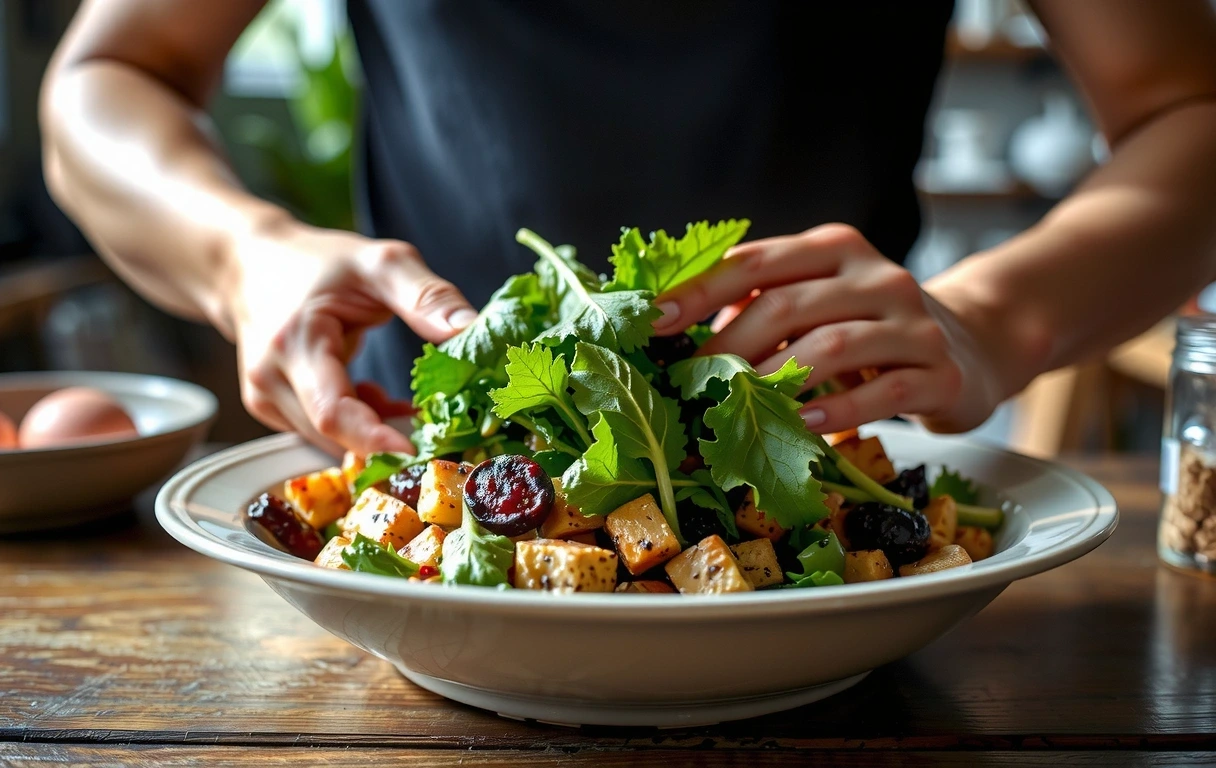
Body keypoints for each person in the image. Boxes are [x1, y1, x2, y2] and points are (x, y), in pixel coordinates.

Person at [40, 1, 1216, 457]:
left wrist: (989, 315)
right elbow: (108, 77)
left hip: (831, 474)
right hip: (420, 466)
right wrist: (244, 252)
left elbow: (1187, 109)